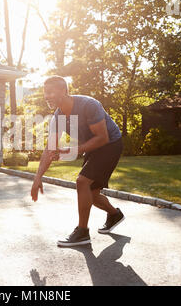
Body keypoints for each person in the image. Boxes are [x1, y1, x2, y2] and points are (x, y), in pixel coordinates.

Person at [31, 76, 124, 247]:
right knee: (92, 194)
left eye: (50, 92)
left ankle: (82, 232)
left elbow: (102, 138)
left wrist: (75, 150)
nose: (47, 96)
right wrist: (38, 177)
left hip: (110, 144)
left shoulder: (89, 105)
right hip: (94, 147)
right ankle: (114, 214)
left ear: (64, 91)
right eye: (45, 93)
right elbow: (49, 149)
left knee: (82, 182)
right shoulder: (57, 117)